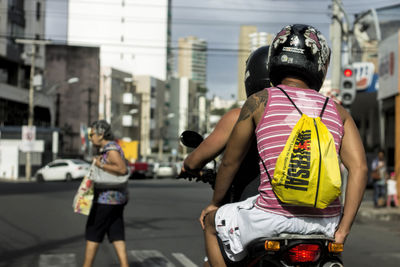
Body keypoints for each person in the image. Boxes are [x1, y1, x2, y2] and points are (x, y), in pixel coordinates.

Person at [199, 24, 368, 266]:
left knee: (211, 223)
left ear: (274, 59)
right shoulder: (338, 110)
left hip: (270, 218)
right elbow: (360, 168)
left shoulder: (259, 101)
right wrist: (343, 230)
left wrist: (215, 202)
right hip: (327, 223)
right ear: (319, 64)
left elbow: (230, 161)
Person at [181, 45, 270, 203]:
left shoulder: (239, 115)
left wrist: (188, 166)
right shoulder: (306, 116)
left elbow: (196, 161)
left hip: (249, 208)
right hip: (303, 211)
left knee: (210, 220)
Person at [83, 120, 129, 267]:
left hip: (105, 200)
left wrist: (100, 164)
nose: (90, 138)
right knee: (116, 232)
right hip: (117, 200)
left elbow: (122, 170)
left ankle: (87, 265)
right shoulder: (110, 148)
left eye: (92, 134)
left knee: (93, 232)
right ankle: (124, 265)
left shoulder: (111, 149)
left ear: (101, 134)